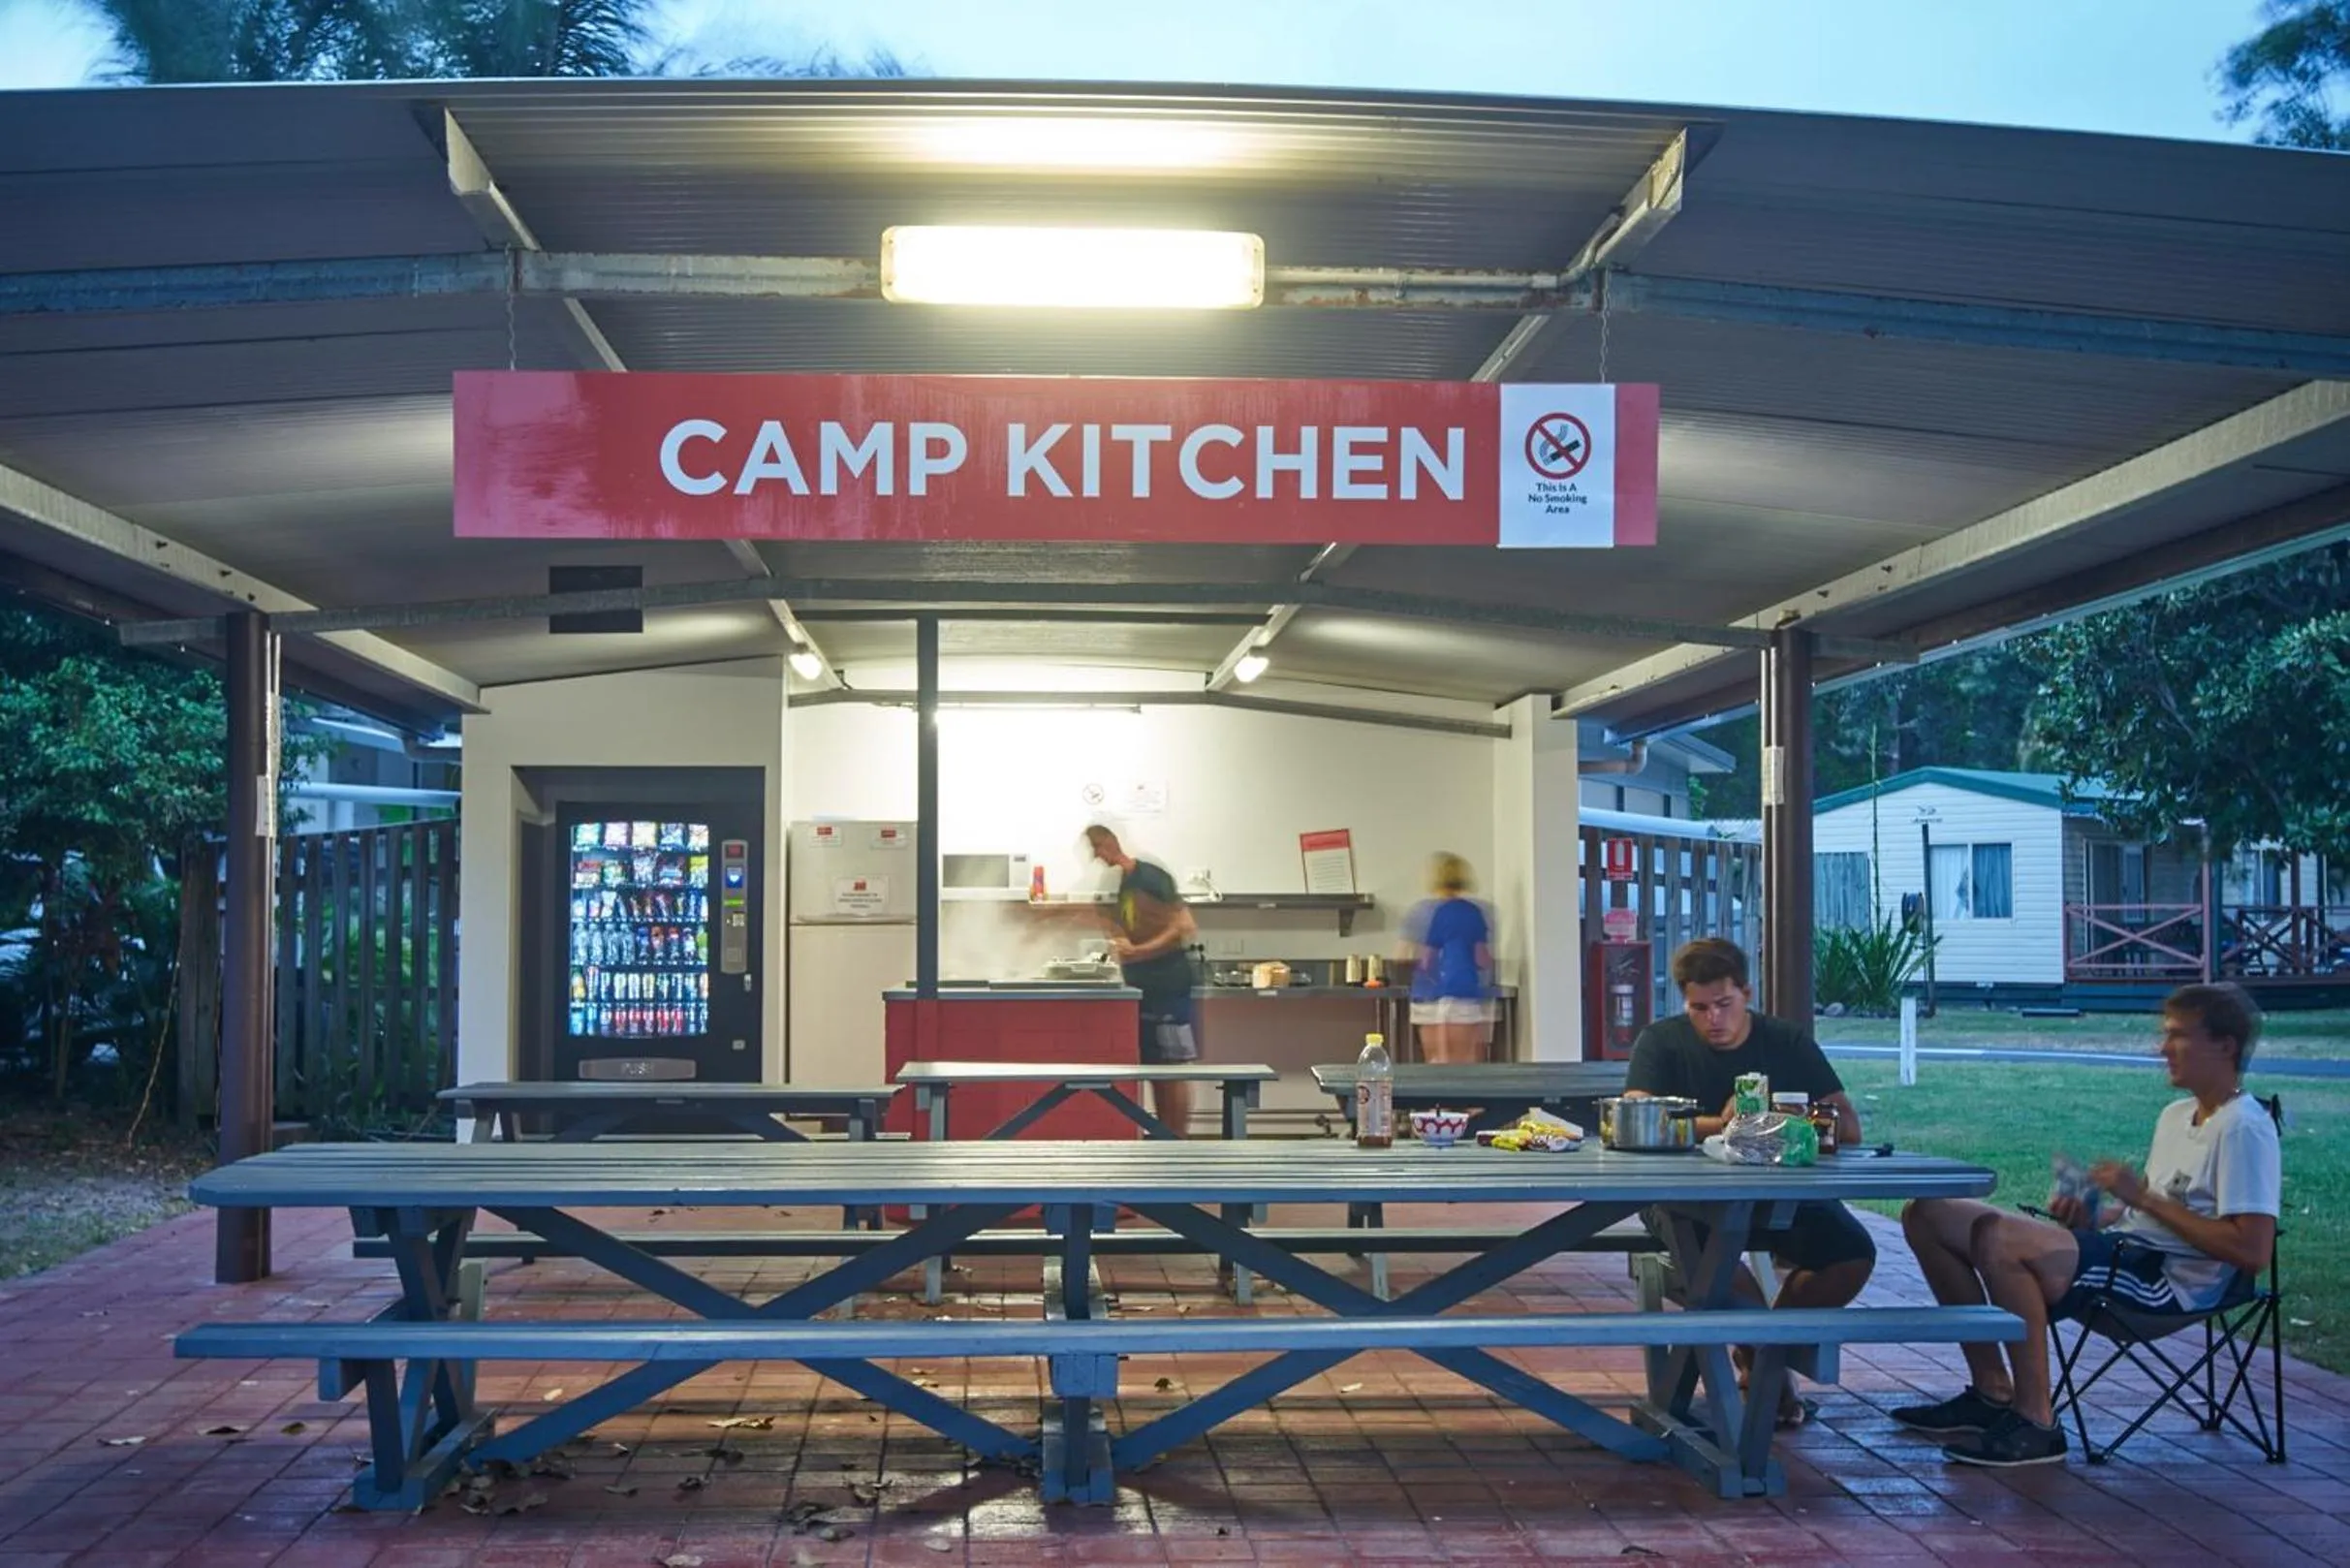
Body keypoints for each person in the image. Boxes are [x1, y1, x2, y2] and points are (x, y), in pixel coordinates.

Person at [1895, 982, 2280, 1467]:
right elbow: (2149, 1215)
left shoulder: (2245, 1128)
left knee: (1997, 1238)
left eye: (2178, 1036)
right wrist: (2097, 1214)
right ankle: (1991, 1392)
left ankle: (2036, 1421)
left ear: (2225, 1046)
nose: (2162, 1049)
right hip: (2129, 1253)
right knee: (1928, 1214)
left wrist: (2139, 1197)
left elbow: (2251, 1252)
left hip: (2170, 1284)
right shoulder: (2177, 1115)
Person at [1623, 936, 1872, 1427]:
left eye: (1723, 1004)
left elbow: (1849, 1126)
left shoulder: (1786, 1041)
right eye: (1699, 1008)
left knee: (1853, 1254)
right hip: (1680, 1198)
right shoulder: (1662, 1041)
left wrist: (1783, 1118)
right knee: (1713, 1263)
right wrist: (1725, 1125)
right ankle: (1766, 1367)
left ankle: (1764, 1357)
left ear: (1747, 993)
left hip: (1779, 1194)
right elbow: (1639, 1117)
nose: (1713, 1019)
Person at [1083, 824, 1201, 1136]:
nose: (1096, 855)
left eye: (1098, 846)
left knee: (1172, 1069)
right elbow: (1118, 926)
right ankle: (1163, 1136)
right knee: (1154, 1067)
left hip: (1168, 983)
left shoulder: (1150, 877)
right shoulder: (1118, 886)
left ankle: (1176, 1140)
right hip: (1142, 988)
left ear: (1111, 842)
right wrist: (1119, 941)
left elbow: (1184, 925)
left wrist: (1138, 951)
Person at [1399, 853, 1494, 1064]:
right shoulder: (1477, 911)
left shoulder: (1420, 911)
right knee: (1465, 1067)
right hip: (1463, 995)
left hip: (1427, 999)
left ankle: (1436, 1098)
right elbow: (1482, 959)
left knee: (1435, 1064)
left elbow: (1410, 957)